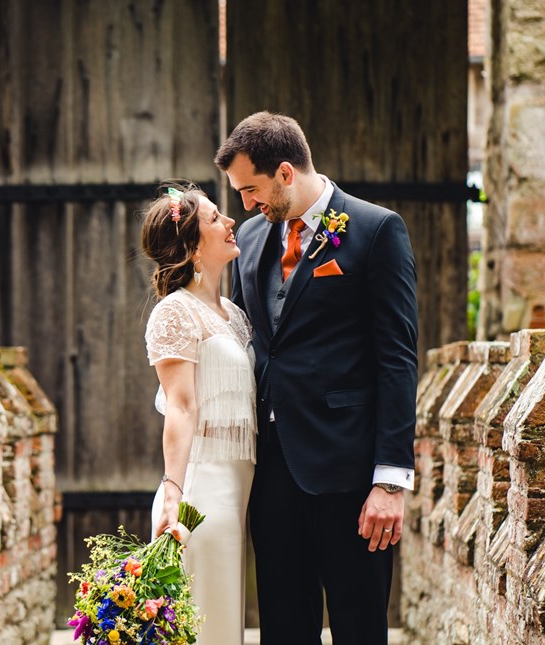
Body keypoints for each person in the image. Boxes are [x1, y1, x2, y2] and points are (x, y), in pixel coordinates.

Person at [216, 112, 419, 645]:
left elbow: (397, 359)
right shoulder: (254, 239)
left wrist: (390, 480)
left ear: (285, 173)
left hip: (350, 473)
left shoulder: (375, 230)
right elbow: (247, 345)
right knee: (282, 627)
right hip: (272, 470)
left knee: (359, 626)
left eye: (251, 189)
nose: (245, 205)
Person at [141, 182, 256, 645]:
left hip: (240, 490)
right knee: (203, 627)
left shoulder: (233, 314)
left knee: (224, 623)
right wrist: (174, 491)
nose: (230, 223)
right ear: (191, 246)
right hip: (201, 492)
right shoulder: (174, 314)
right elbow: (182, 407)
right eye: (215, 218)